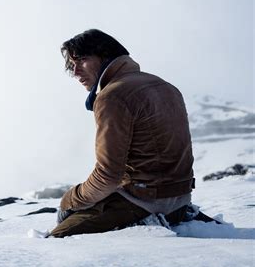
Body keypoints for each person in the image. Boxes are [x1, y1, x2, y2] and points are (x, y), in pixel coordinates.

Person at [50, 29, 195, 238]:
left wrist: (70, 199)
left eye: (81, 60)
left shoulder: (112, 96)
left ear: (105, 54)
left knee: (56, 239)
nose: (76, 72)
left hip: (143, 201)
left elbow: (108, 176)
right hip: (181, 200)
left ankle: (145, 224)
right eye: (72, 66)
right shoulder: (166, 86)